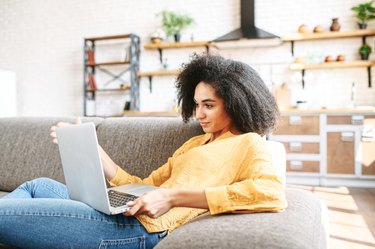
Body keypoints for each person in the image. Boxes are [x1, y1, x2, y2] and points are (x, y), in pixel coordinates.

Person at [0, 54, 287, 248]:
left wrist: (173, 197)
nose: (199, 113)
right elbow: (143, 185)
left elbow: (271, 192)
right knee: (37, 186)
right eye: (196, 104)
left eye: (209, 105)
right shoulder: (195, 144)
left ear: (237, 103)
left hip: (141, 229)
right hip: (129, 211)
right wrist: (96, 153)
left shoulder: (249, 143)